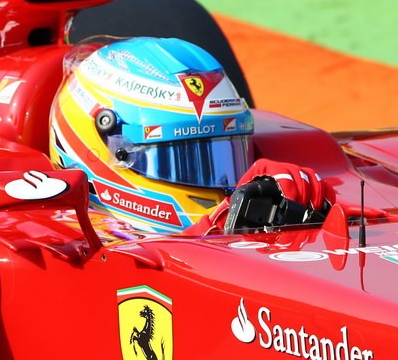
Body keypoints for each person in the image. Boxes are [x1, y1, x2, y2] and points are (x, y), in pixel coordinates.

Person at [48, 35, 334, 235]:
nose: (221, 187)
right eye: (179, 160)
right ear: (106, 151)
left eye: (224, 157)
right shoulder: (56, 245)